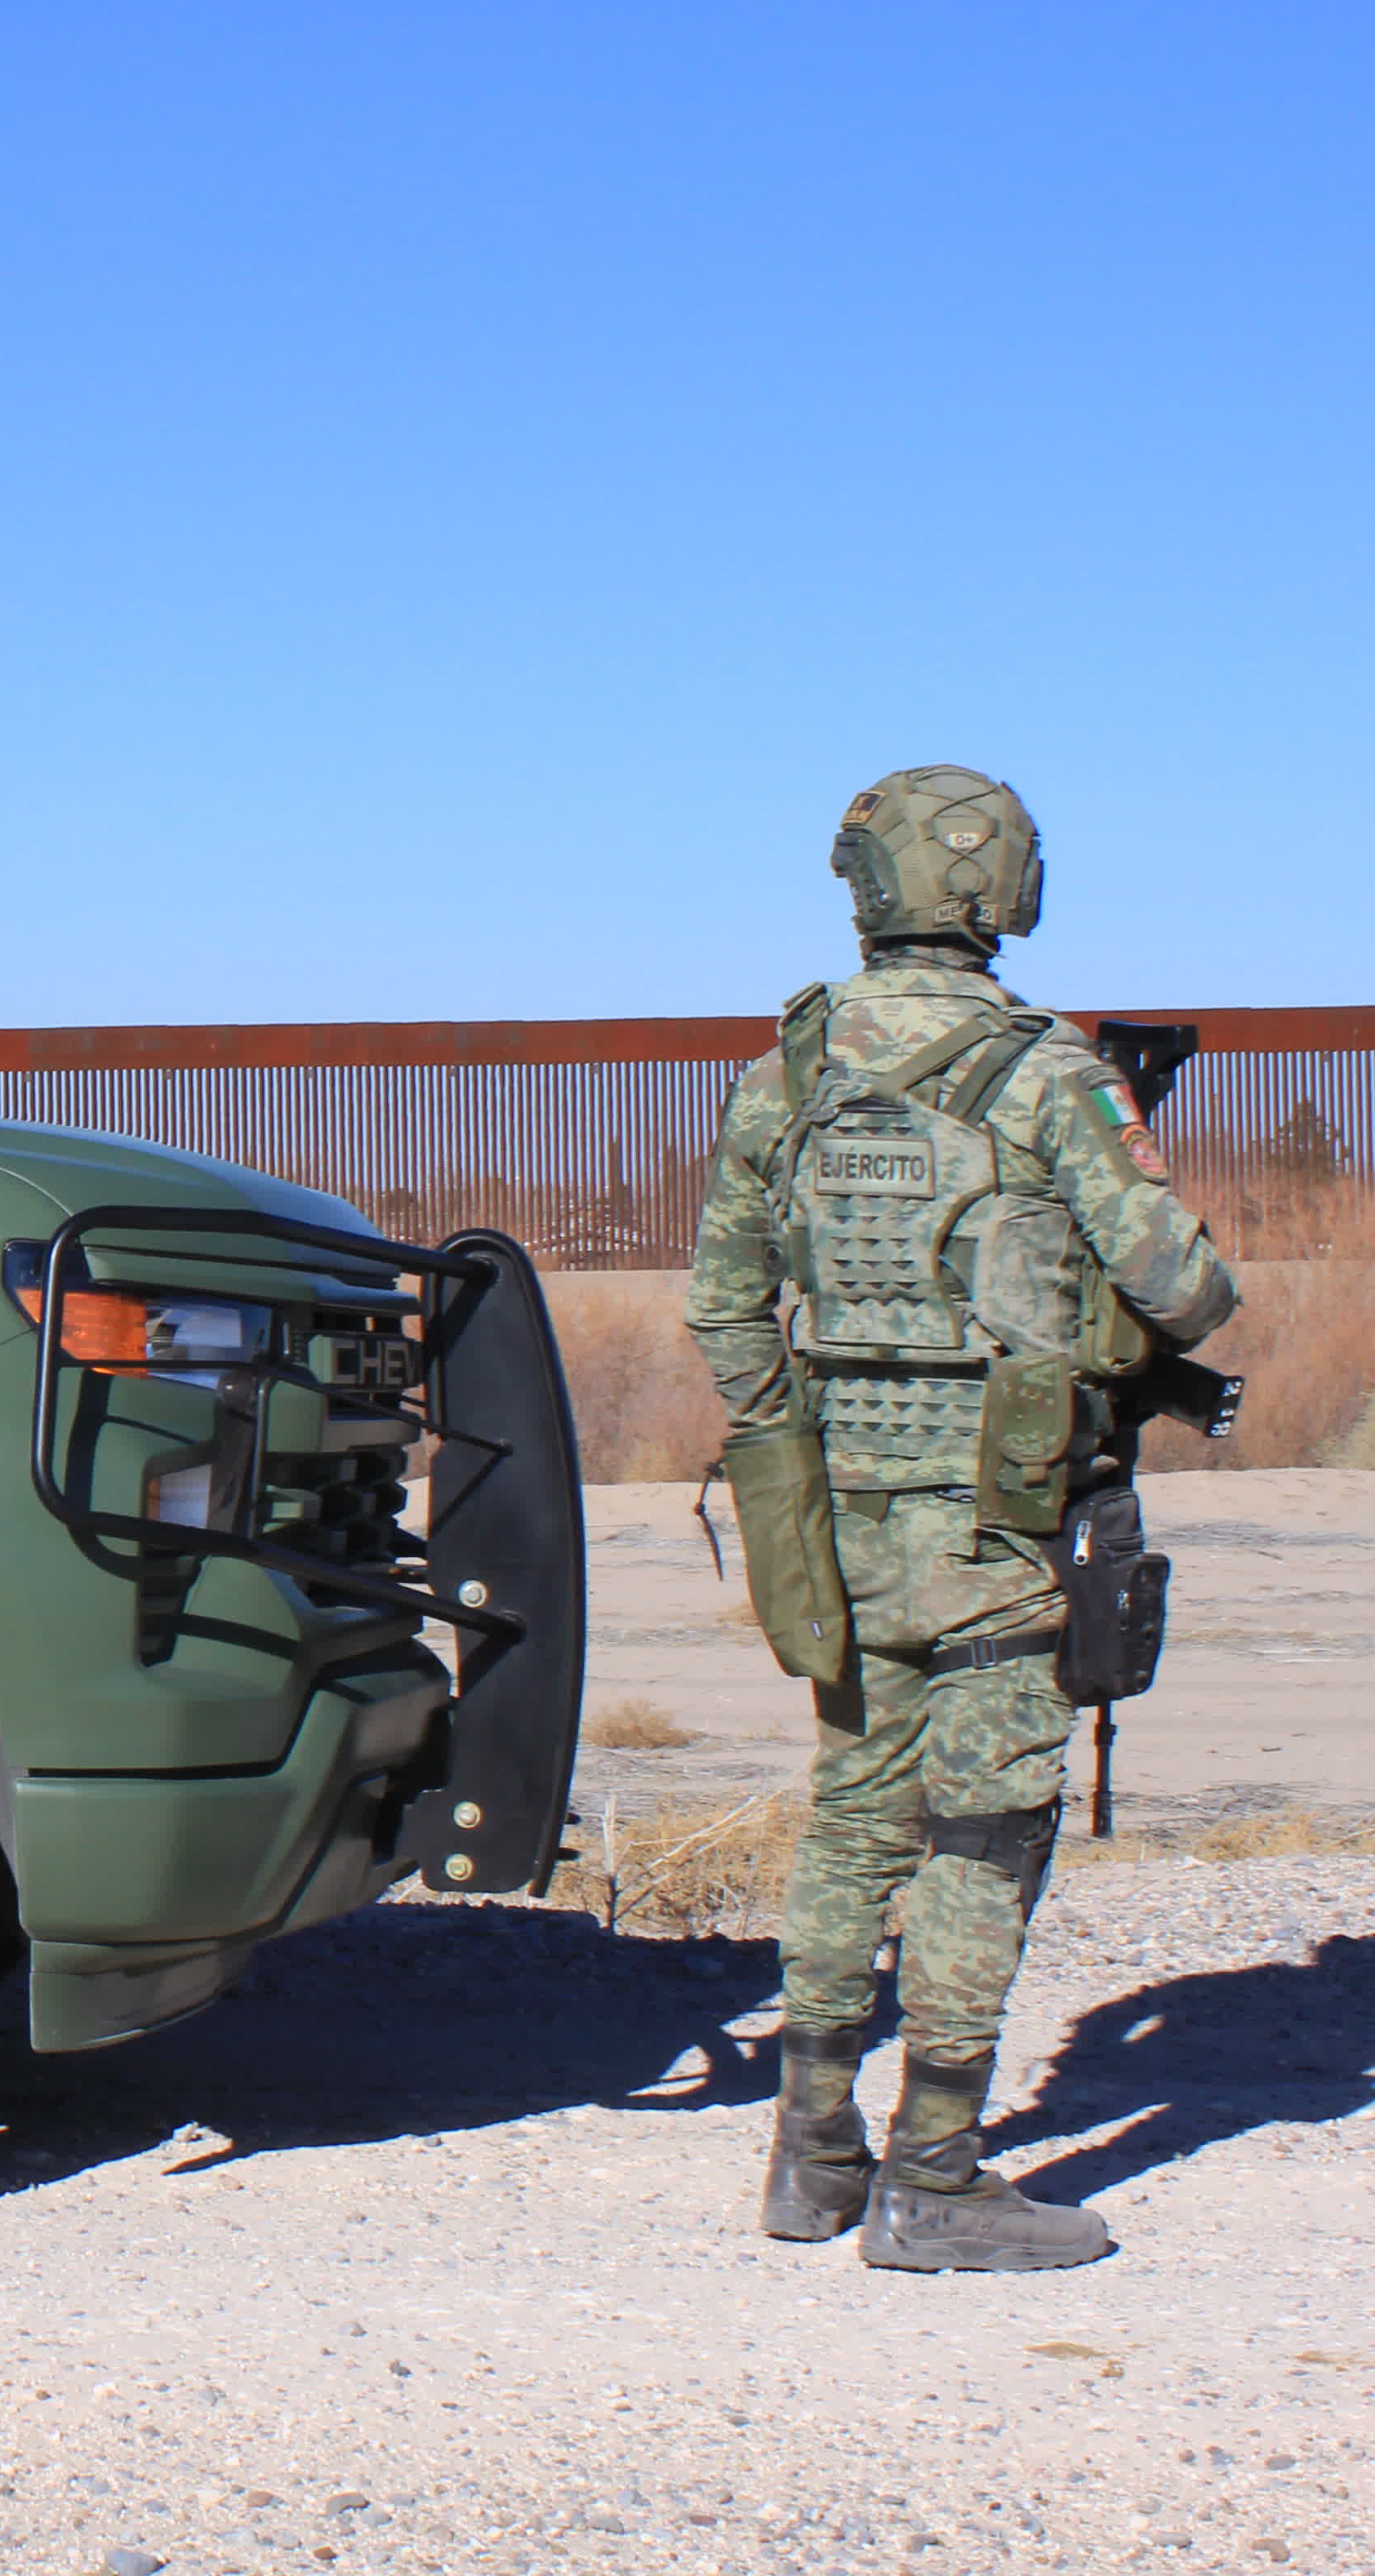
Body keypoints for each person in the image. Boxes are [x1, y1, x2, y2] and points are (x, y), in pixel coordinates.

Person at [686, 765, 1236, 2271]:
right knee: (986, 1830)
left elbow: (724, 1306)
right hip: (993, 1517)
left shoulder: (783, 1070)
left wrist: (798, 1439)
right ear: (1006, 889)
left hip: (839, 1515)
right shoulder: (1046, 1072)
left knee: (854, 1805)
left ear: (863, 882)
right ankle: (932, 2174)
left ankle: (807, 2156)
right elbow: (1183, 1289)